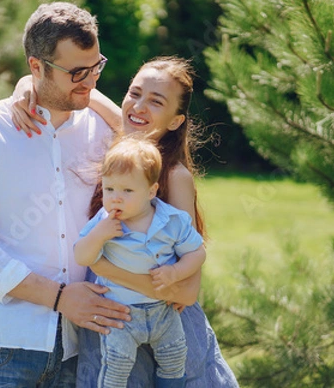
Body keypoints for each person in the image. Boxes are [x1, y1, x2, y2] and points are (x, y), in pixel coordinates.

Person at [13, 56, 239, 387]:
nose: (139, 106)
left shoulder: (173, 176)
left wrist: (106, 270)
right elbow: (82, 91)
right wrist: (27, 85)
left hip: (166, 337)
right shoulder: (125, 147)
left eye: (156, 101)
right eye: (135, 93)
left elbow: (187, 292)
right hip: (113, 336)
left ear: (175, 121)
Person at [0, 2, 133, 388]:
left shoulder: (103, 131)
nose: (91, 80)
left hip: (82, 349)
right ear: (36, 67)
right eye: (77, 72)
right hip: (1, 348)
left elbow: (149, 152)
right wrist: (61, 297)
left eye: (97, 66)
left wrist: (87, 94)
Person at [74, 136, 206, 387]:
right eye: (109, 189)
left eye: (127, 190)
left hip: (162, 311)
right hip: (121, 314)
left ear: (151, 191)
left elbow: (197, 253)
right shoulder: (105, 222)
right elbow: (82, 256)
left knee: (175, 357)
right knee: (116, 365)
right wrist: (99, 235)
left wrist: (176, 272)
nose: (116, 198)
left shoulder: (171, 220)